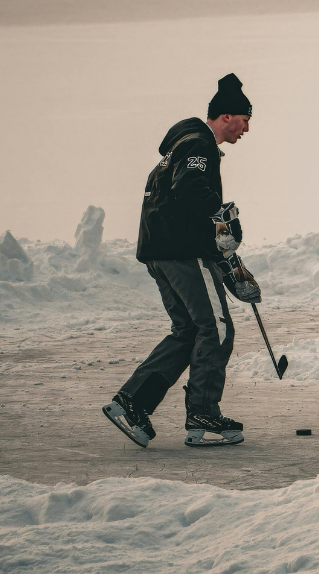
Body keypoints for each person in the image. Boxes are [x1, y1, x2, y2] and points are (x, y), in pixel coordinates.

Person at [102, 73, 257, 448]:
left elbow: (180, 198)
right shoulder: (199, 145)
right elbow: (189, 189)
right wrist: (221, 215)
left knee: (188, 331)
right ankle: (202, 413)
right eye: (245, 120)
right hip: (181, 255)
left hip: (161, 253)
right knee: (216, 330)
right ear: (225, 117)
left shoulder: (184, 145)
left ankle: (132, 403)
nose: (247, 129)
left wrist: (224, 252)